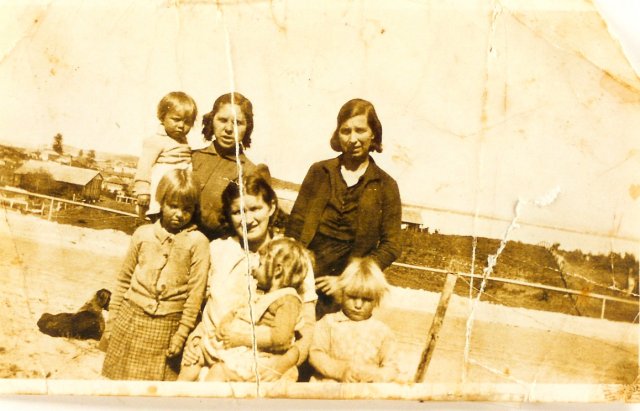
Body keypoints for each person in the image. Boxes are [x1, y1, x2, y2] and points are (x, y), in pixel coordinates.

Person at [182, 175, 317, 381]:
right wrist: (196, 337)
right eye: (238, 212)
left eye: (255, 209)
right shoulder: (218, 250)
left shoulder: (291, 256)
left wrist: (284, 363)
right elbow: (203, 306)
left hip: (264, 363)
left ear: (271, 207)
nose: (247, 219)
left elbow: (307, 326)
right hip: (211, 353)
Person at [286, 98, 402, 318]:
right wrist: (298, 273)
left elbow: (391, 245)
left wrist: (347, 280)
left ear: (373, 134)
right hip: (304, 276)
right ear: (337, 135)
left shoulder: (386, 186)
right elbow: (295, 226)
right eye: (345, 131)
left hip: (351, 289)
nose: (353, 139)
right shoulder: (319, 172)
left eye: (360, 130)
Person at [101, 169, 209, 381]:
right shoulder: (143, 234)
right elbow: (123, 280)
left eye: (187, 209)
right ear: (161, 202)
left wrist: (181, 334)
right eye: (173, 206)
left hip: (167, 326)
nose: (179, 214)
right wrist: (112, 320)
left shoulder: (198, 243)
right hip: (129, 318)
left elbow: (195, 295)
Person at [178, 237, 310, 382]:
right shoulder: (261, 294)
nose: (253, 269)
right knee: (197, 352)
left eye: (260, 264)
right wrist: (226, 322)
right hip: (236, 347)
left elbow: (281, 338)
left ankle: (206, 401)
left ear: (277, 270)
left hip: (257, 355)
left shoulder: (288, 300)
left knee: (219, 372)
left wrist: (240, 338)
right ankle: (179, 388)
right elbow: (239, 311)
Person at [309, 258, 400, 382]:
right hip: (328, 388)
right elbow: (316, 354)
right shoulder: (328, 323)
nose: (358, 305)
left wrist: (377, 376)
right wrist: (340, 372)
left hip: (364, 392)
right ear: (341, 293)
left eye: (366, 299)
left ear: (377, 299)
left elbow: (391, 367)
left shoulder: (382, 332)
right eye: (352, 297)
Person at [192, 92, 264, 239]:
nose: (229, 129)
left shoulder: (250, 172)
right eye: (222, 120)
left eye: (238, 123)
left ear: (247, 127)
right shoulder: (191, 157)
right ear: (212, 120)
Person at [133, 91, 197, 219]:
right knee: (158, 217)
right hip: (160, 189)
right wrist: (143, 191)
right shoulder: (156, 141)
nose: (181, 126)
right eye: (176, 120)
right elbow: (144, 168)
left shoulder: (183, 141)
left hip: (178, 189)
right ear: (162, 117)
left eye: (187, 122)